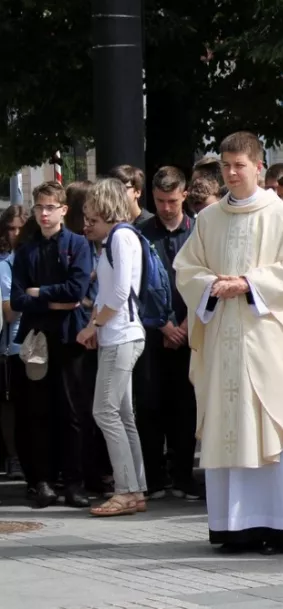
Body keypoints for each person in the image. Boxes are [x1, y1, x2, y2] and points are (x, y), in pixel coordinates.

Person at [173, 131, 283, 555]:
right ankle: (236, 527)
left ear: (258, 168)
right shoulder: (209, 220)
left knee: (274, 430)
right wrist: (213, 284)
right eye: (227, 166)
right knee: (230, 427)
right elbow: (186, 268)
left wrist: (250, 283)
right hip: (224, 344)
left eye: (240, 166)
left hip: (271, 344)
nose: (232, 173)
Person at [10, 182, 95, 509]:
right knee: (38, 411)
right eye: (39, 208)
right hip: (36, 339)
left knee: (73, 410)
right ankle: (42, 481)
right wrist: (50, 300)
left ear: (63, 209)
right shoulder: (26, 249)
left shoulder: (78, 244)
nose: (44, 214)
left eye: (50, 207)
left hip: (69, 337)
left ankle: (74, 481)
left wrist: (39, 293)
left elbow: (76, 290)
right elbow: (18, 298)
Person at [75, 179, 148, 517]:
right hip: (120, 334)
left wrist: (94, 326)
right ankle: (135, 489)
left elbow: (119, 295)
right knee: (122, 415)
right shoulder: (118, 239)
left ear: (106, 211)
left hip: (121, 335)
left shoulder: (120, 238)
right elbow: (113, 293)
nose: (86, 224)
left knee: (105, 411)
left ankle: (126, 490)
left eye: (91, 217)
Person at [135, 167, 200, 500]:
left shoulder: (200, 231)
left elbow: (206, 280)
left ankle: (184, 476)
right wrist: (163, 325)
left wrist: (186, 324)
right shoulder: (140, 232)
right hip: (153, 333)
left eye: (172, 201)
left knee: (185, 407)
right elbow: (138, 287)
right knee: (149, 405)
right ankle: (156, 478)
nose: (166, 208)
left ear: (184, 195)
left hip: (192, 332)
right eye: (160, 201)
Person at [0, 207, 28, 483]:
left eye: (20, 227)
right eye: (11, 228)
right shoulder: (5, 265)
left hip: (37, 343)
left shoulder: (32, 257)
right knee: (10, 405)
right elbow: (9, 310)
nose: (15, 233)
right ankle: (14, 456)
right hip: (13, 345)